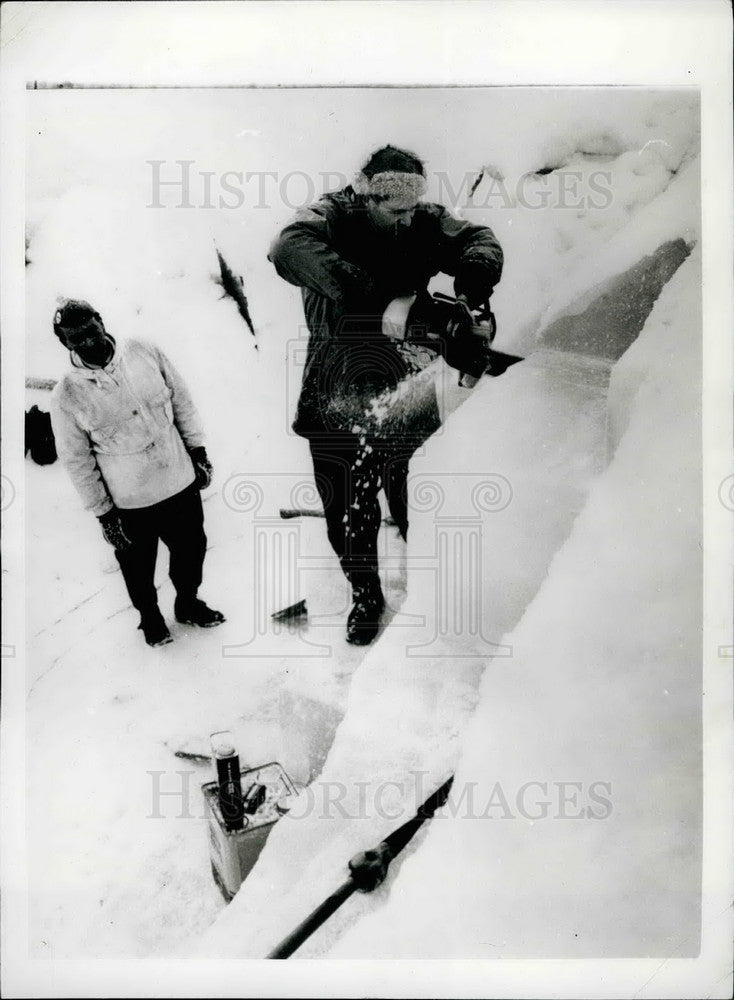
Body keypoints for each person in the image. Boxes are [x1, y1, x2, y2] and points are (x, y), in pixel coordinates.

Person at [269, 144, 503, 645]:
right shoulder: (331, 215)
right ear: (366, 195)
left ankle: (421, 568)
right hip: (334, 380)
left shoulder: (422, 219)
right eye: (392, 209)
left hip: (402, 371)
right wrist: (365, 290)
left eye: (411, 208)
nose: (404, 219)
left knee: (404, 474)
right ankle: (365, 594)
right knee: (346, 505)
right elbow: (287, 246)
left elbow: (478, 238)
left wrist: (474, 276)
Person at [50, 299, 224, 647]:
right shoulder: (66, 395)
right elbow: (77, 460)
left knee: (192, 553)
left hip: (179, 481)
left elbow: (181, 401)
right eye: (75, 339)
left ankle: (188, 604)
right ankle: (150, 619)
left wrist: (198, 452)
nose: (87, 342)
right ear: (65, 344)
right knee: (138, 570)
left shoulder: (143, 351)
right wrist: (103, 514)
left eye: (90, 331)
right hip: (130, 504)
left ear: (101, 320)